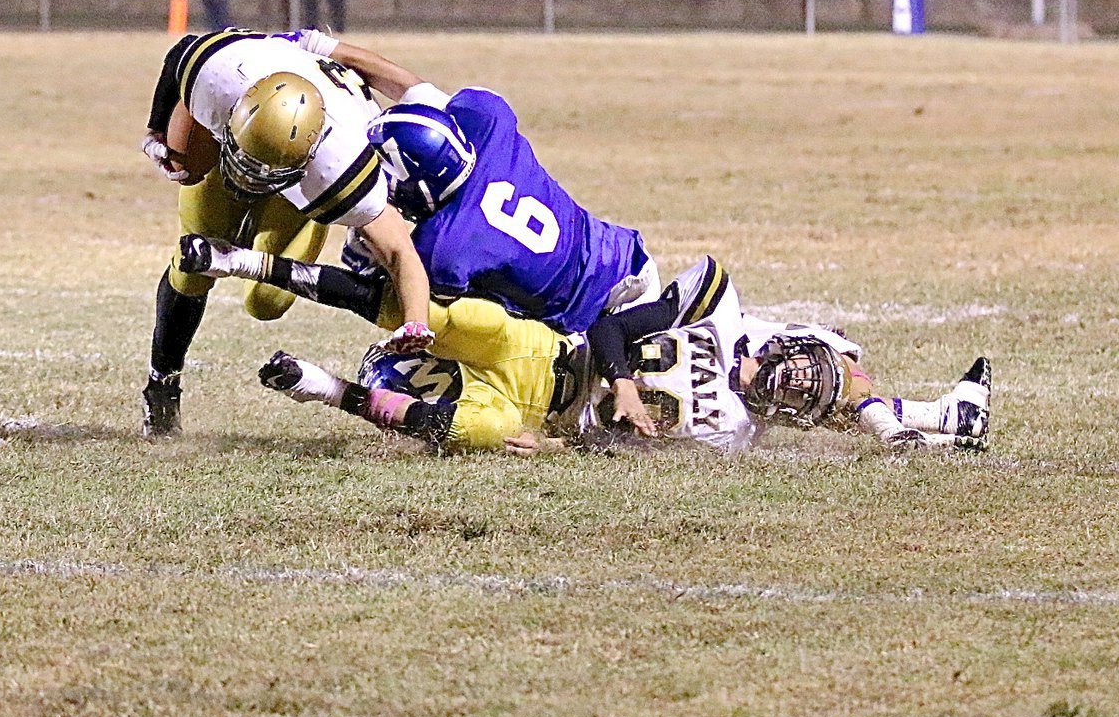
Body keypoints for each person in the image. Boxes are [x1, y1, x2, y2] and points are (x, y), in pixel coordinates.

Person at [177, 236, 992, 456]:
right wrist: (626, 383)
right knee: (425, 309)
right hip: (547, 352)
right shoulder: (720, 313)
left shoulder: (734, 434)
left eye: (787, 391)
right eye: (786, 365)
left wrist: (890, 422)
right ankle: (250, 263)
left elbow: (833, 394)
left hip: (527, 405)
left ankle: (323, 388)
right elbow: (609, 321)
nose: (775, 381)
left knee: (491, 434)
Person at [137, 27, 435, 439]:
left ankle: (248, 248)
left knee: (266, 303)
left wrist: (416, 321)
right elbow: (182, 55)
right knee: (190, 268)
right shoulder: (221, 76)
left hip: (299, 184)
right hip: (238, 140)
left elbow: (401, 251)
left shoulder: (341, 170)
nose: (252, 178)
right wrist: (158, 129)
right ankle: (162, 384)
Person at [351, 78, 661, 335]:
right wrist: (326, 47)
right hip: (626, 259)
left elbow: (408, 286)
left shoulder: (444, 247)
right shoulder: (489, 121)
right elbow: (414, 87)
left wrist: (368, 247)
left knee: (430, 346)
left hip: (596, 322)